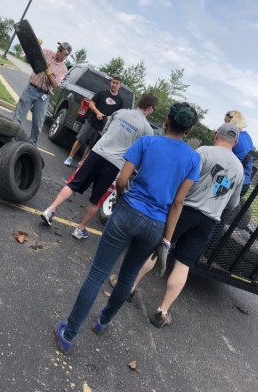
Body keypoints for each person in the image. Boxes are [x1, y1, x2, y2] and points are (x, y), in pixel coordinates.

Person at [53, 103, 201, 353]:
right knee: (128, 277)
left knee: (97, 274)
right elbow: (178, 202)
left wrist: (123, 197)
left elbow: (121, 180)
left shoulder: (146, 142)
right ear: (189, 130)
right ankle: (103, 321)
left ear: (166, 120)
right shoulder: (193, 158)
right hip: (156, 224)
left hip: (129, 211)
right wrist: (166, 240)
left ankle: (69, 333)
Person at [109, 122, 244, 328]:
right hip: (208, 220)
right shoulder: (239, 169)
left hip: (184, 209)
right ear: (235, 143)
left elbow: (185, 179)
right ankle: (162, 312)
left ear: (217, 135)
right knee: (183, 265)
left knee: (158, 248)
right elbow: (233, 203)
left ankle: (129, 287)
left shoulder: (204, 152)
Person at [41, 93, 159, 239]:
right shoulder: (147, 129)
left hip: (97, 152)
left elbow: (105, 131)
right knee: (97, 197)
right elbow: (141, 152)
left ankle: (50, 209)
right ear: (150, 108)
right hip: (115, 163)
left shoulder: (120, 112)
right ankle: (80, 229)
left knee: (74, 183)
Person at [13, 42, 72, 145]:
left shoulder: (63, 70)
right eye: (59, 47)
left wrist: (48, 74)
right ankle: (10, 136)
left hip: (43, 96)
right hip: (31, 89)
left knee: (38, 124)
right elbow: (34, 53)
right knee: (18, 116)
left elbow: (55, 84)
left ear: (66, 55)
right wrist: (35, 44)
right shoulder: (47, 52)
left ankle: (31, 146)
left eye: (61, 50)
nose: (58, 50)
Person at [63, 77, 124, 167]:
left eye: (116, 83)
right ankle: (70, 158)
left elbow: (118, 114)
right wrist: (98, 113)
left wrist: (110, 117)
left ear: (120, 86)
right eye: (113, 83)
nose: (114, 85)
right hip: (91, 121)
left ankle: (81, 163)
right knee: (80, 139)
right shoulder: (102, 93)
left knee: (91, 146)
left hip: (103, 127)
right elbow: (91, 104)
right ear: (110, 83)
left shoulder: (120, 101)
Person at [224, 110, 253, 197]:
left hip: (232, 181)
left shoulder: (235, 138)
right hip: (244, 182)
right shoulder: (247, 137)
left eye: (226, 124)